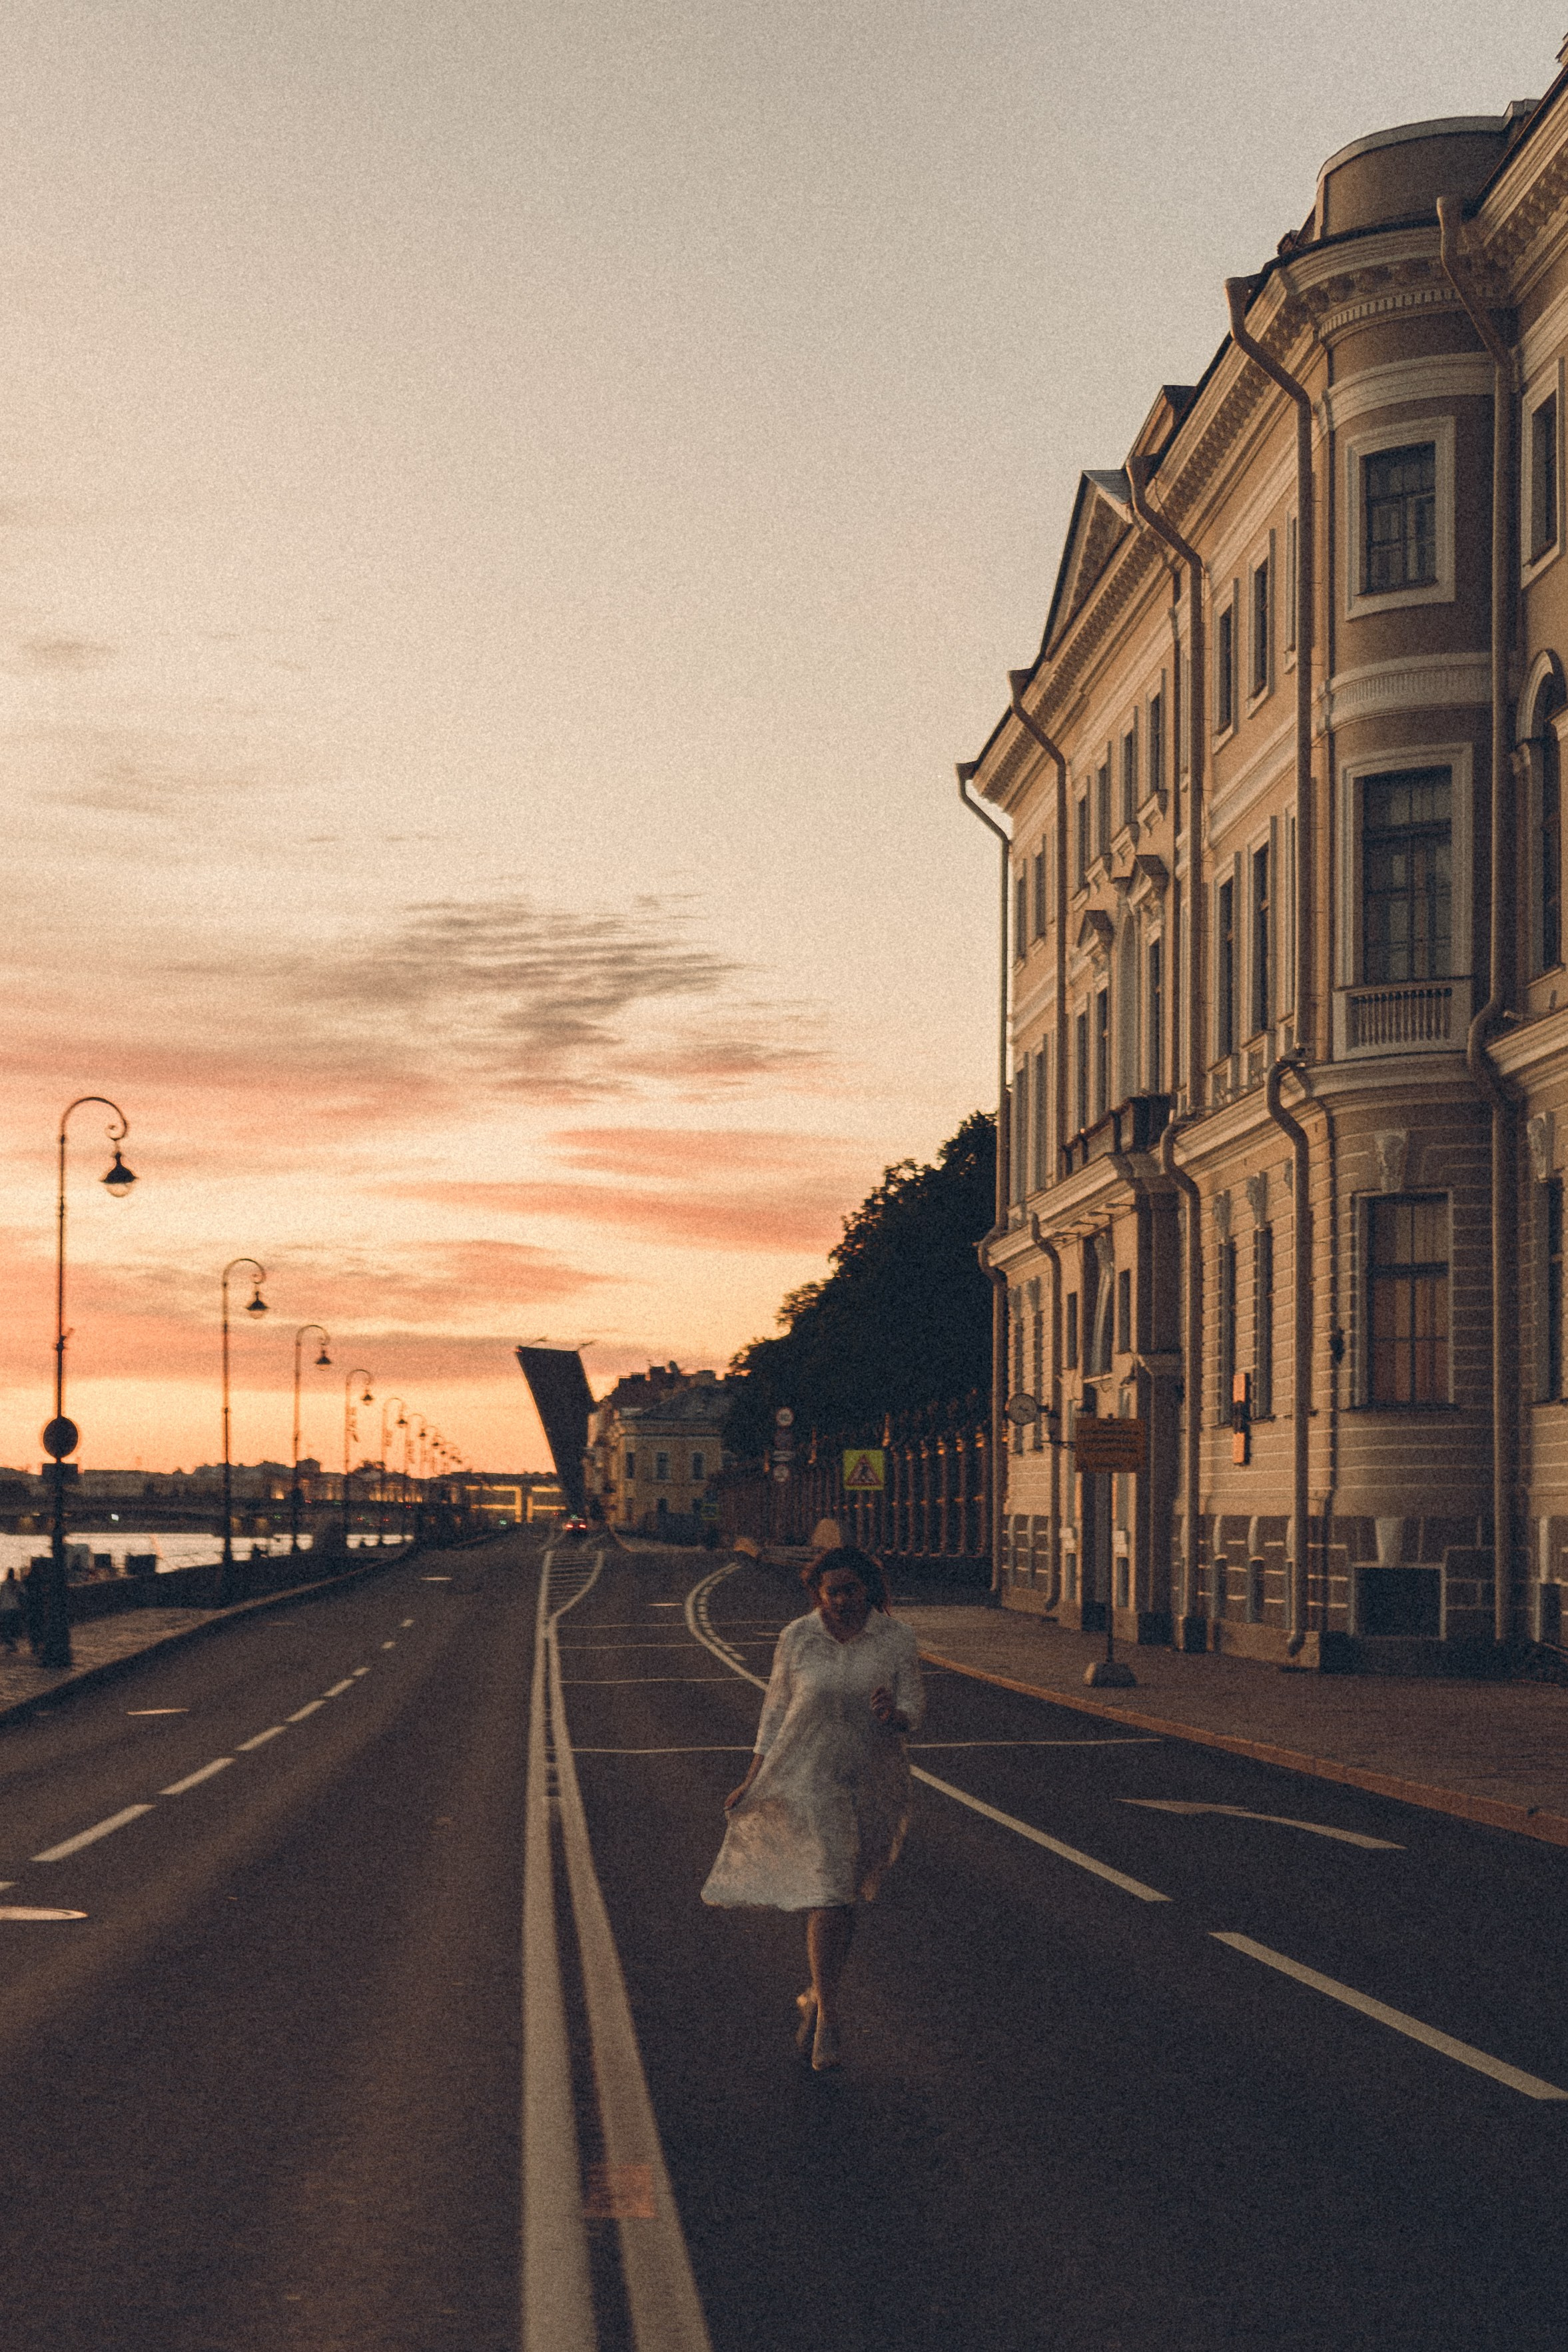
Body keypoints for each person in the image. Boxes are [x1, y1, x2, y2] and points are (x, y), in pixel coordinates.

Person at [701, 1544, 924, 2072]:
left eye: (851, 1589)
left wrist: (894, 1715)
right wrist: (752, 1777)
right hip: (810, 1778)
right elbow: (775, 1711)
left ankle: (818, 1995)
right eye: (833, 1591)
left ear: (868, 1587)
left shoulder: (896, 1638)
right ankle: (829, 2018)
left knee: (845, 1897)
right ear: (818, 1594)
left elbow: (914, 1707)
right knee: (828, 1892)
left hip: (872, 1782)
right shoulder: (797, 1637)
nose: (843, 1600)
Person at [0, 1567, 22, 1655]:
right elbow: (24, 1594)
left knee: (6, 1627)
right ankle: (13, 1645)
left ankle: (9, 1645)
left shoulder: (4, 1584)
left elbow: (1, 1597)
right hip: (15, 1608)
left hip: (5, 1608)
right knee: (14, 1627)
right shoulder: (18, 1584)